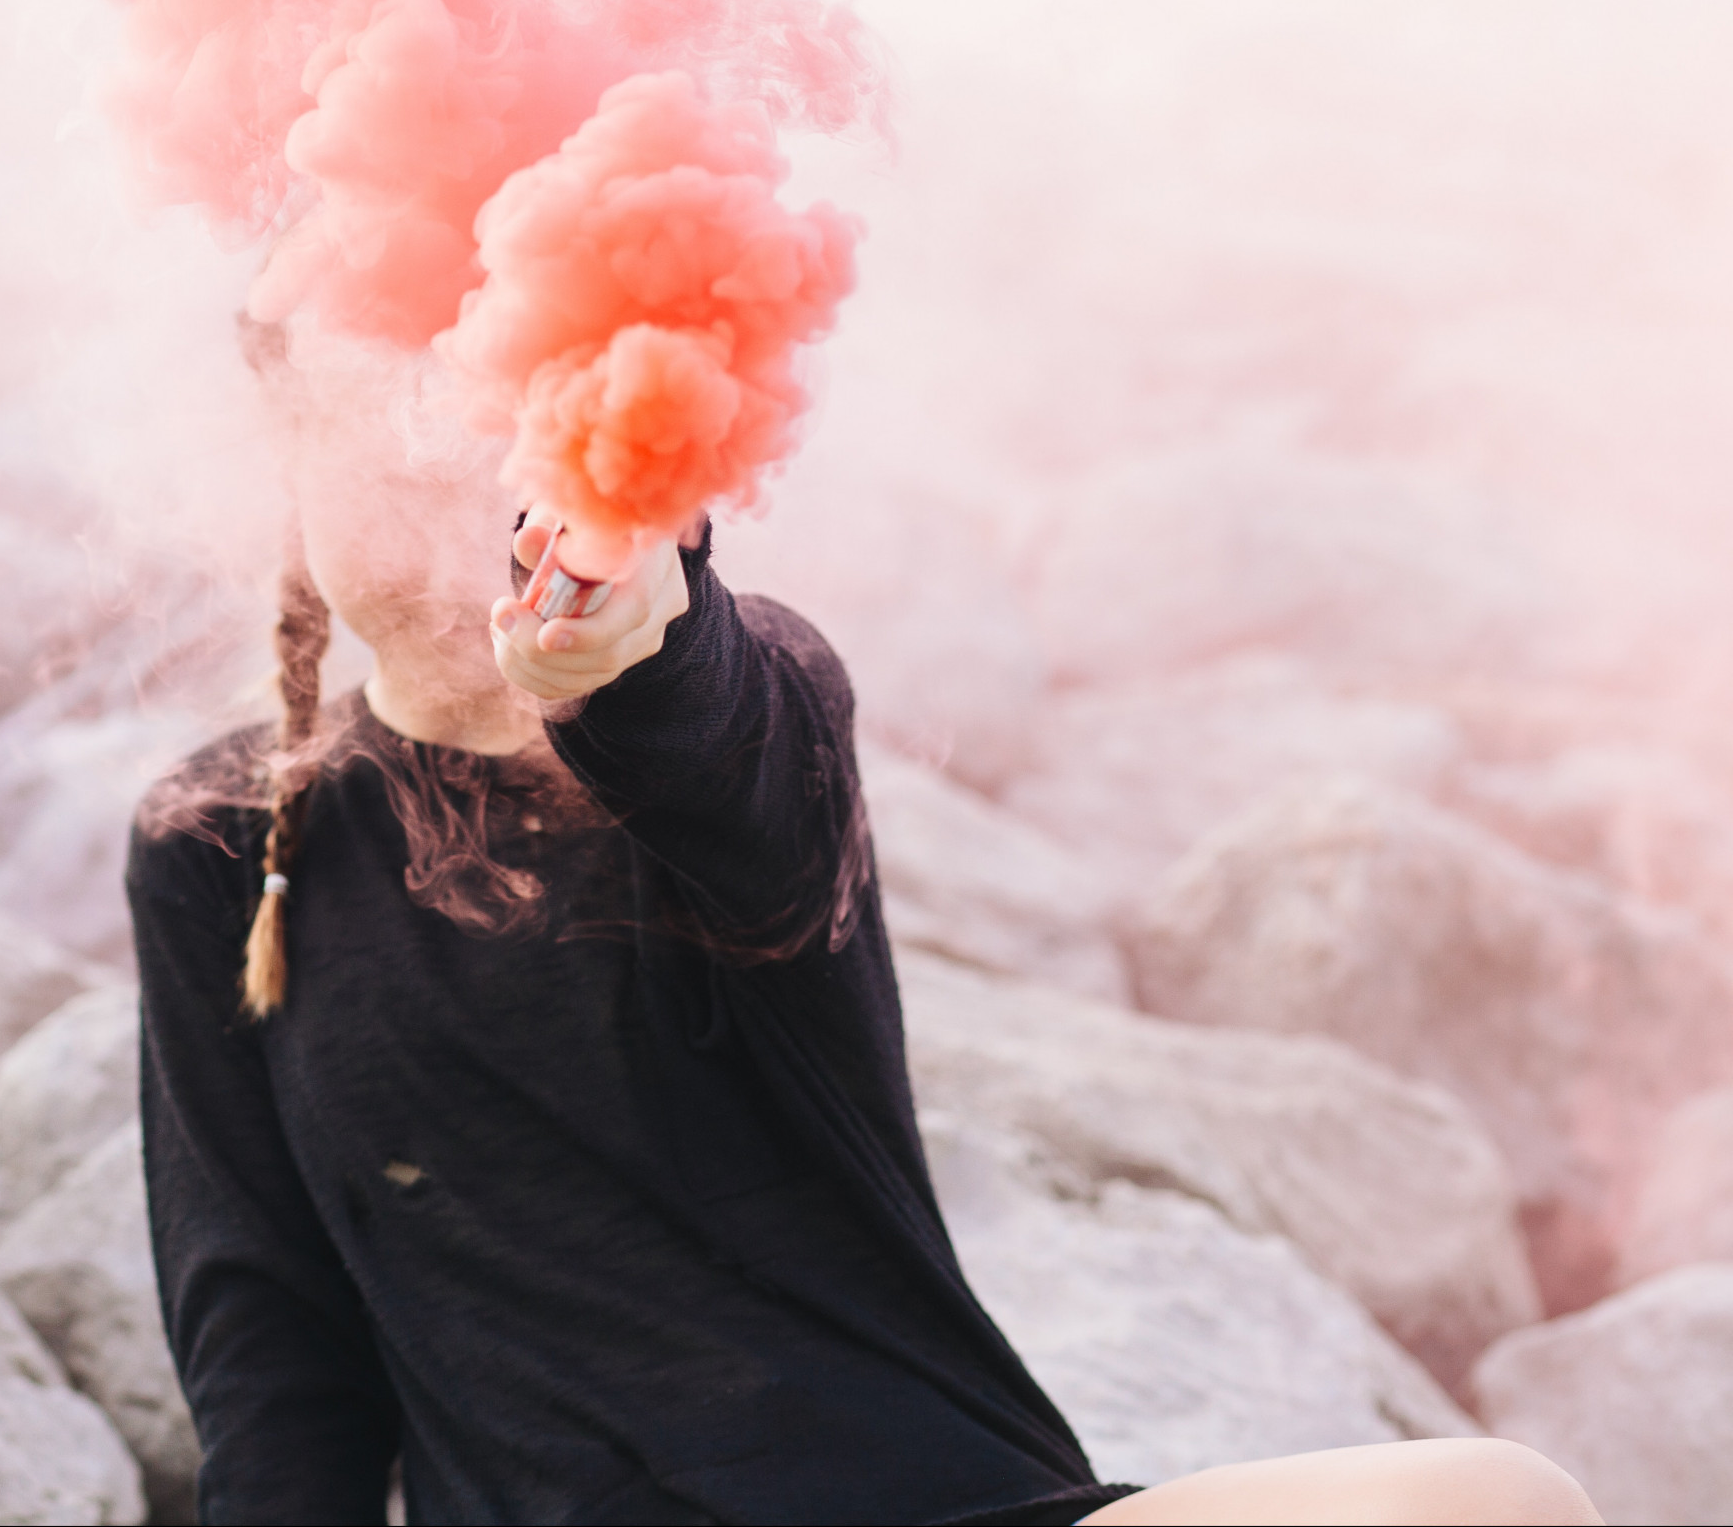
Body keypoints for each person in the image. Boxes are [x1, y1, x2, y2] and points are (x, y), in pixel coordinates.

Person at [128, 434, 1602, 1526]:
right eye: (382, 427)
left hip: (936, 1499)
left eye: (485, 419)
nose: (444, 476)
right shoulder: (222, 840)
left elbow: (708, 732)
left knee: (1499, 1503)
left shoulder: (739, 700)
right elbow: (272, 1354)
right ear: (288, 453)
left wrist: (645, 629)